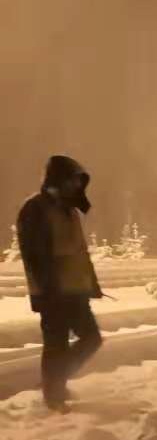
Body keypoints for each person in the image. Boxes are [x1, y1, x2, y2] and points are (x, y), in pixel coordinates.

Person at [16, 155, 104, 411]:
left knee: (92, 338)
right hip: (52, 291)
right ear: (58, 179)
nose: (76, 185)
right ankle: (54, 395)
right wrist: (48, 289)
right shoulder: (35, 208)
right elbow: (34, 256)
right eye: (72, 180)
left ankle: (55, 383)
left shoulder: (70, 210)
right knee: (57, 344)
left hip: (76, 289)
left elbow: (80, 251)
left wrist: (92, 283)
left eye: (79, 181)